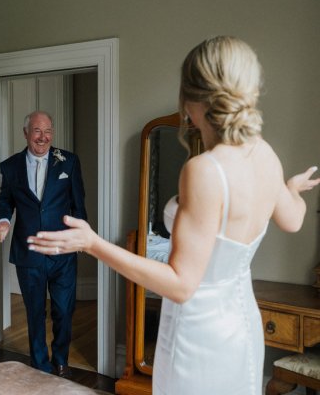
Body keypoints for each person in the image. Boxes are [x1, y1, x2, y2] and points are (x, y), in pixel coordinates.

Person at [26, 36, 320, 394]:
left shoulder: (205, 170)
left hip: (200, 334)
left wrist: (92, 243)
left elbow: (181, 285)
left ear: (192, 97)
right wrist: (289, 188)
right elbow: (293, 220)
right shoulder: (265, 154)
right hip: (242, 327)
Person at [0, 110, 87, 377]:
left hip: (62, 251)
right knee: (34, 312)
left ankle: (60, 359)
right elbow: (5, 201)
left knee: (63, 310)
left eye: (47, 131)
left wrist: (80, 235)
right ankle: (40, 365)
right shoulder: (10, 166)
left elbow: (79, 203)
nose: (43, 137)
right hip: (29, 253)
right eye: (37, 131)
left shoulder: (68, 162)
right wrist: (3, 220)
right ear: (26, 133)